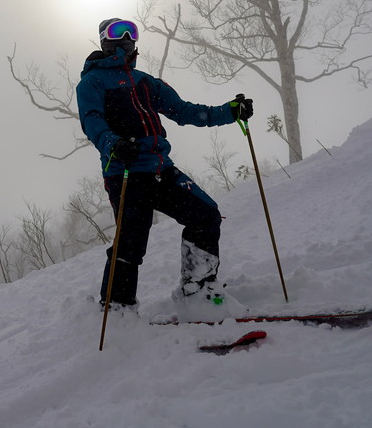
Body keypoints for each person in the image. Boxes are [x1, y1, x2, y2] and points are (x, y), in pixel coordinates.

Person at [75, 18, 253, 308]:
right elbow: (91, 121)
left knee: (205, 214)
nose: (125, 37)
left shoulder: (145, 81)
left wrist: (231, 112)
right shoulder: (91, 82)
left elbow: (184, 111)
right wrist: (113, 144)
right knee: (131, 241)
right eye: (117, 32)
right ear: (104, 41)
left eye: (130, 31)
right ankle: (116, 308)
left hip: (160, 168)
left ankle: (197, 289)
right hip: (125, 171)